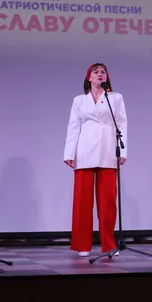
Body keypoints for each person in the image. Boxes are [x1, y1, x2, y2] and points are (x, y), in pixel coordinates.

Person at [63, 63, 127, 257]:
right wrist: (69, 153)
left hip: (108, 149)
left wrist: (123, 150)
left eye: (103, 72)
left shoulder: (115, 98)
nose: (100, 74)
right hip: (84, 151)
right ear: (88, 77)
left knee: (108, 202)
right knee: (82, 201)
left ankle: (109, 244)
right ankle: (82, 245)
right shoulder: (79, 100)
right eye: (96, 72)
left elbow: (122, 124)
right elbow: (73, 127)